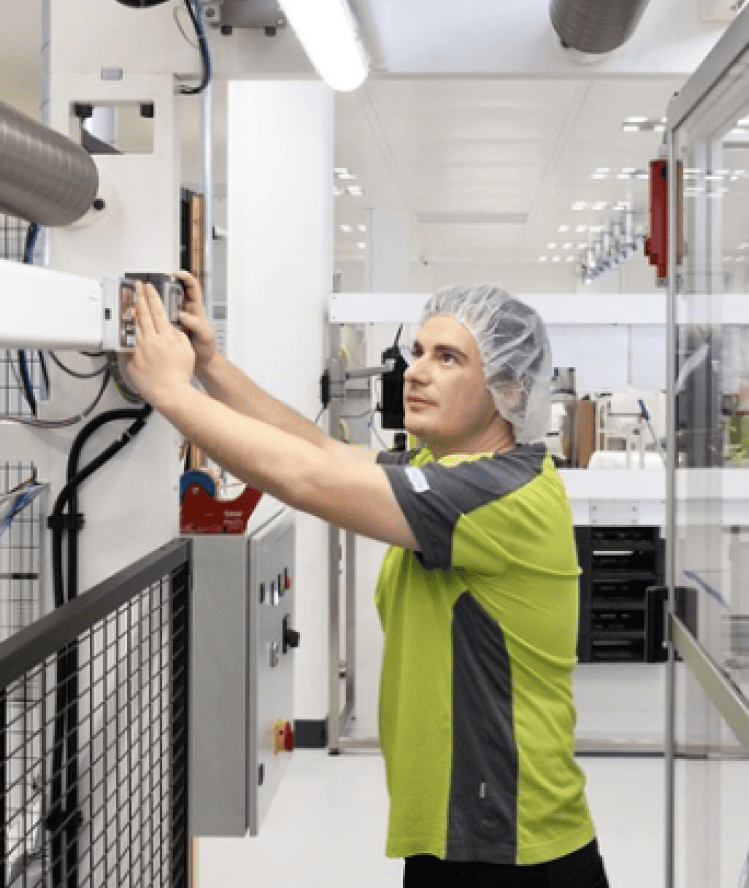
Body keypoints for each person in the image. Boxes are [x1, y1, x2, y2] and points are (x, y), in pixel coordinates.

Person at [122, 274, 611, 888]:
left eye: (448, 358)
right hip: (456, 831)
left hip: (513, 845)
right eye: (419, 353)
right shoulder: (450, 467)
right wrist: (211, 369)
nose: (415, 371)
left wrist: (171, 392)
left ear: (508, 389)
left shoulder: (497, 494)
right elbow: (321, 451)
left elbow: (308, 481)